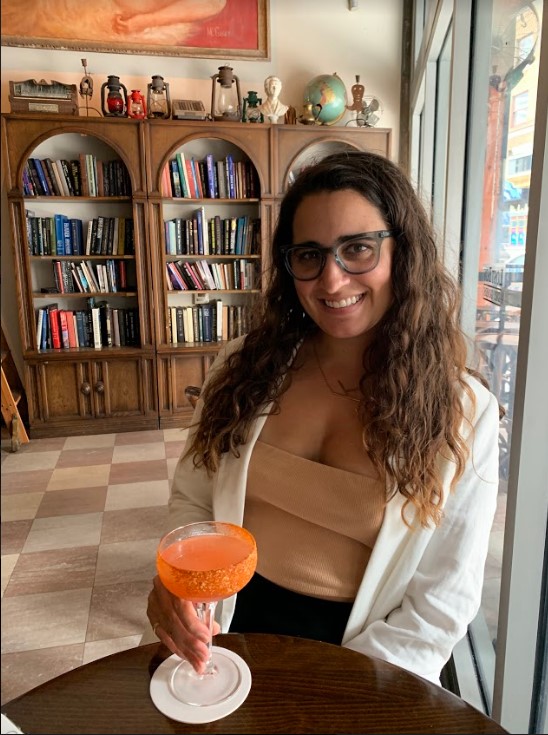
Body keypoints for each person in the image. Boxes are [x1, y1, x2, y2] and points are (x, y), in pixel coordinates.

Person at [145, 150, 500, 685]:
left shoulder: (462, 412)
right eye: (309, 255)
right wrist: (180, 582)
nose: (331, 282)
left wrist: (344, 690)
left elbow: (440, 605)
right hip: (229, 635)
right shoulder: (242, 368)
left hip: (366, 661)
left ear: (403, 252)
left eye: (357, 248)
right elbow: (193, 498)